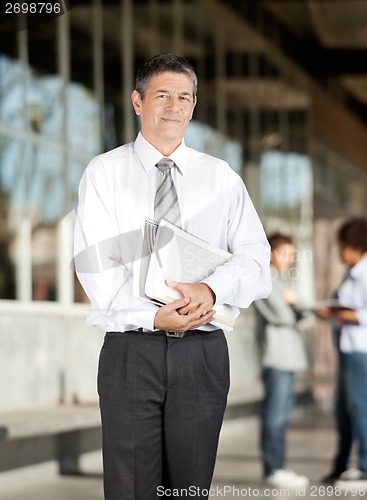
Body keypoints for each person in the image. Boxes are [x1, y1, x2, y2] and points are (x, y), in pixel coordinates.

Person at [74, 53, 271, 500]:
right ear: (137, 101)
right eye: (162, 94)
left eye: (184, 97)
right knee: (131, 489)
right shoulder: (105, 173)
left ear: (194, 106)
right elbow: (94, 265)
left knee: (188, 489)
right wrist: (151, 316)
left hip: (202, 353)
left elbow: (257, 258)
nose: (174, 105)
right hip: (132, 351)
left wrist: (212, 288)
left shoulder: (219, 177)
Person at [254, 233, 310, 489]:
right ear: (270, 253)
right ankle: (273, 468)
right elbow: (283, 315)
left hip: (288, 358)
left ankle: (279, 464)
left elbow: (303, 313)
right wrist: (296, 306)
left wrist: (297, 306)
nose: (289, 259)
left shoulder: (284, 281)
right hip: (275, 358)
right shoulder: (264, 281)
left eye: (292, 254)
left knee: (283, 415)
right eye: (285, 253)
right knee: (275, 415)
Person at [316, 216, 367, 489]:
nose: (339, 253)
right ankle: (341, 467)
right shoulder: (352, 273)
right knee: (345, 412)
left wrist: (339, 313)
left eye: (342, 246)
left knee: (361, 410)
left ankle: (365, 469)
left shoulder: (365, 274)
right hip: (347, 350)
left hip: (361, 351)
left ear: (354, 245)